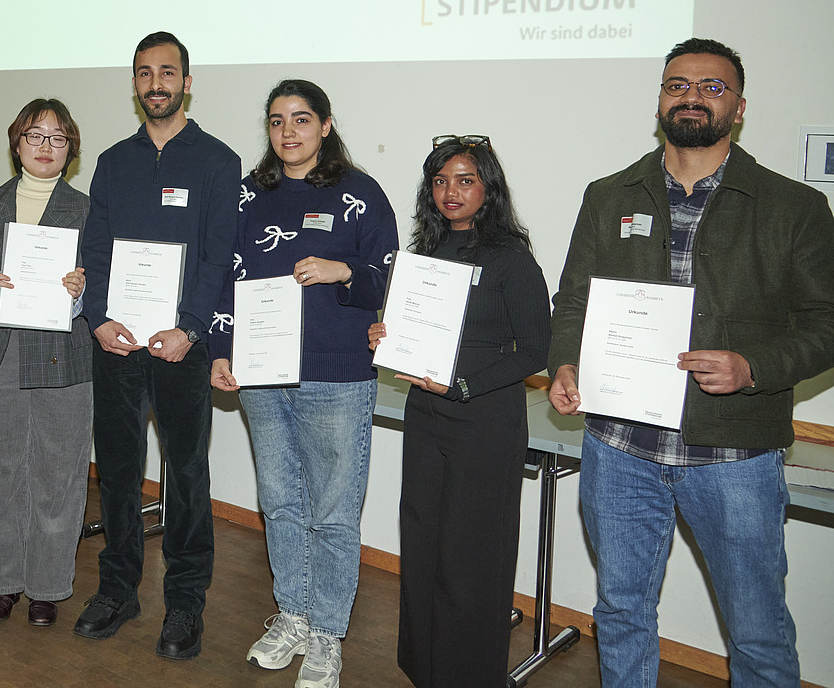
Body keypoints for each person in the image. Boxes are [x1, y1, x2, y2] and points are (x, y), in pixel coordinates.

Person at [547, 38, 834, 687]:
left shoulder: (793, 208)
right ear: (660, 99)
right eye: (678, 84)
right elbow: (573, 302)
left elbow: (827, 324)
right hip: (619, 449)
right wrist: (566, 363)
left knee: (757, 631)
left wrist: (752, 366)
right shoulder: (608, 194)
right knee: (621, 612)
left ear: (737, 107)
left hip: (733, 458)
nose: (693, 96)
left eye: (712, 87)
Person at [207, 80, 397, 686]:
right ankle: (293, 613)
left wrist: (344, 271)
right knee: (281, 502)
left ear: (326, 124)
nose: (288, 132)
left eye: (301, 119)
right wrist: (219, 348)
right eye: (276, 121)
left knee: (335, 513)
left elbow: (392, 282)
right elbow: (222, 280)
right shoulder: (246, 197)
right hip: (263, 373)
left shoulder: (360, 194)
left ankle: (326, 635)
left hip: (338, 374)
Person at [72, 31, 240, 660]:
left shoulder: (220, 162)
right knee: (116, 472)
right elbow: (97, 246)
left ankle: (186, 604)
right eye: (145, 73)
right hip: (115, 343)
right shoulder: (114, 161)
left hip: (183, 348)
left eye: (167, 72)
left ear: (187, 82)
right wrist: (96, 319)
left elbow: (219, 255)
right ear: (135, 84)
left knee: (186, 476)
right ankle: (117, 589)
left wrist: (191, 327)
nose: (156, 84)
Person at [367, 136, 550, 688]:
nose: (451, 192)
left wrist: (465, 384)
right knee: (422, 545)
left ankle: (468, 675)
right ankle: (425, 669)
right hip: (426, 414)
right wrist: (384, 335)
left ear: (488, 188)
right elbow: (410, 333)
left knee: (473, 559)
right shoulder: (423, 255)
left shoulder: (512, 260)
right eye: (441, 181)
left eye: (465, 180)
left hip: (486, 421)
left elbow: (536, 350)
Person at [0, 99, 91, 628]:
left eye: (58, 138)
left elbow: (102, 281)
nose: (46, 147)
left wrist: (81, 289)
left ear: (70, 149)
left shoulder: (88, 209)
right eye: (35, 136)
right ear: (17, 143)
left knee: (60, 473)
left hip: (64, 357)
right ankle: (2, 581)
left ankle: (49, 586)